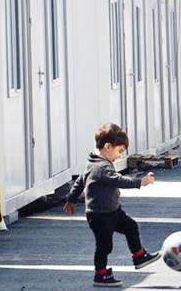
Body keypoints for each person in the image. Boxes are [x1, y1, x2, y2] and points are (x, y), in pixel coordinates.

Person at [64, 123, 160, 287]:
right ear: (108, 147)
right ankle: (100, 275)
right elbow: (118, 180)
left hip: (113, 211)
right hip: (100, 215)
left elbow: (79, 182)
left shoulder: (93, 163)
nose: (119, 156)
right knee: (104, 245)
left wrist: (71, 199)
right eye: (120, 151)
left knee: (131, 227)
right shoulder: (101, 167)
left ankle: (139, 256)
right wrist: (141, 182)